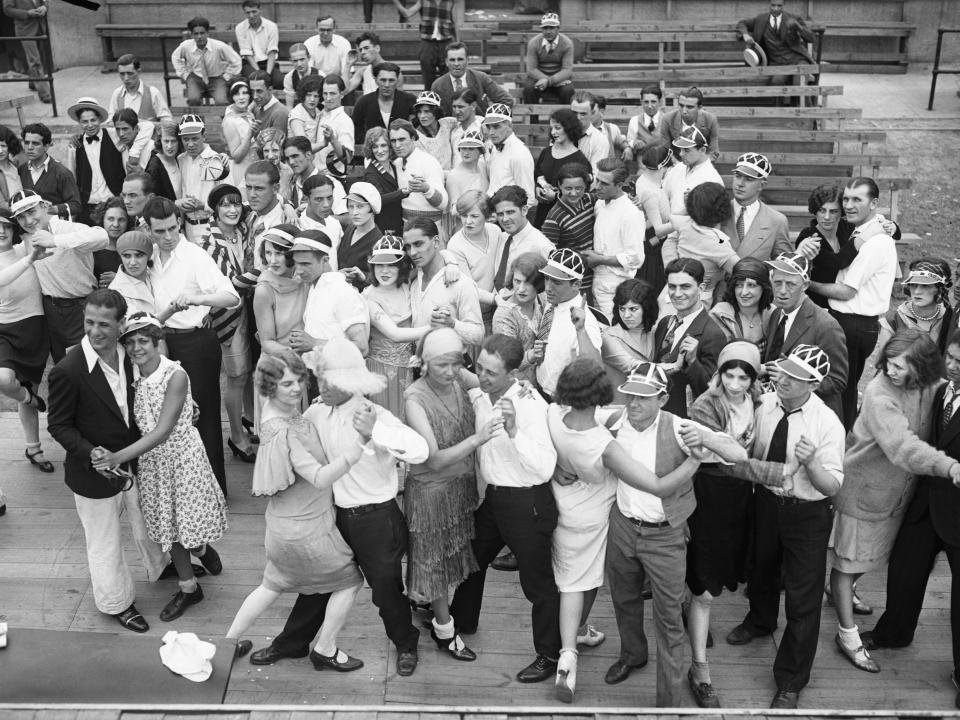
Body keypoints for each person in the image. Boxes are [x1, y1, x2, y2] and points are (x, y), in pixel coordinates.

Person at [251, 337, 429, 678]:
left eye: (327, 381)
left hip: (376, 520)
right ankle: (292, 642)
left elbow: (419, 451)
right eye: (318, 378)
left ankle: (406, 643)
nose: (320, 386)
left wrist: (376, 431)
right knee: (318, 582)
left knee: (385, 589)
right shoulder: (316, 411)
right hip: (332, 516)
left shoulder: (375, 414)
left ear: (349, 382)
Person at [601, 361, 739, 706]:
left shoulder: (679, 427)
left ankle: (669, 702)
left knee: (668, 619)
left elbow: (737, 454)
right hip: (623, 526)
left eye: (643, 398)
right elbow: (570, 418)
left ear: (663, 399)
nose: (633, 404)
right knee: (623, 599)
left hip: (665, 536)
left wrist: (704, 437)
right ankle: (633, 654)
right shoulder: (615, 420)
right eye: (630, 395)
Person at [226, 349, 365, 669]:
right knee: (351, 581)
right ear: (269, 387)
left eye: (300, 381)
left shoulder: (276, 415)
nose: (297, 389)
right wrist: (358, 448)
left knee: (270, 586)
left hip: (281, 526)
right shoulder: (285, 431)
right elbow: (318, 477)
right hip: (307, 530)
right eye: (287, 383)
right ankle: (326, 648)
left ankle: (226, 641)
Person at [829, 330, 958, 673]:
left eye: (900, 366)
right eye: (888, 363)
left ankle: (844, 596)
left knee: (866, 562)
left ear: (922, 366)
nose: (891, 371)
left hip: (898, 497)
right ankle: (847, 634)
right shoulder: (878, 393)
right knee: (847, 564)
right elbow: (901, 446)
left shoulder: (932, 385)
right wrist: (949, 466)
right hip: (863, 493)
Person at [724, 344, 844, 710]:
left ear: (813, 384)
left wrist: (810, 464)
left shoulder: (827, 424)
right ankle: (760, 621)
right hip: (766, 502)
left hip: (807, 513)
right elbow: (755, 450)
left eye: (795, 376)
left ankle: (790, 679)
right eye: (784, 372)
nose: (785, 379)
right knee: (761, 567)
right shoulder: (768, 404)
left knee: (803, 597)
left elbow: (833, 486)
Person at [91, 312, 227, 622]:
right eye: (132, 342)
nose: (138, 348)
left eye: (144, 341)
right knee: (169, 528)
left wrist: (118, 457)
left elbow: (162, 430)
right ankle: (190, 587)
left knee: (186, 523)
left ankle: (202, 551)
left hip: (181, 457)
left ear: (157, 342)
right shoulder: (132, 375)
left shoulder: (174, 375)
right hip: (153, 462)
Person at [47, 289, 169, 634]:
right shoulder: (68, 370)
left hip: (136, 459)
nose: (95, 331)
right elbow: (58, 424)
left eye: (104, 324)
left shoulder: (132, 355)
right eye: (89, 322)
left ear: (120, 325)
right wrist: (91, 452)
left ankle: (160, 567)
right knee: (104, 541)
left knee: (146, 520)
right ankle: (117, 603)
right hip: (93, 472)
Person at [449, 333, 560, 682]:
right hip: (495, 498)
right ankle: (462, 621)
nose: (482, 376)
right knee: (471, 561)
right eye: (479, 367)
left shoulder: (530, 406)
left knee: (538, 584)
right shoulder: (481, 395)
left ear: (512, 374)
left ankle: (549, 655)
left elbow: (544, 467)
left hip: (528, 502)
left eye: (491, 372)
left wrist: (514, 432)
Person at [862, 334, 960, 709]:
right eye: (948, 357)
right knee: (904, 572)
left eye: (959, 362)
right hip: (925, 503)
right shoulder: (940, 389)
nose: (951, 366)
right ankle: (894, 633)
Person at [684, 341, 769, 707]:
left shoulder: (759, 401)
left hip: (740, 497)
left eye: (743, 376)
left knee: (717, 575)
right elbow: (727, 456)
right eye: (728, 374)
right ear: (718, 373)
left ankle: (690, 605)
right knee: (706, 587)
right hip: (709, 493)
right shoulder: (706, 404)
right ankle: (699, 669)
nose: (735, 383)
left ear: (752, 379)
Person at [404, 328, 497, 663]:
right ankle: (444, 630)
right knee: (438, 564)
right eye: (442, 365)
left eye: (455, 363)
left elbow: (492, 383)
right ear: (425, 363)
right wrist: (478, 439)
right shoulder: (414, 398)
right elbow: (435, 458)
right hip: (432, 495)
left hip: (461, 488)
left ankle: (427, 602)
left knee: (448, 558)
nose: (450, 371)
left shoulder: (459, 379)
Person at [144, 196, 241, 494]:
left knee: (204, 417)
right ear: (148, 230)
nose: (169, 237)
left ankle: (214, 492)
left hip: (195, 343)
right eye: (160, 231)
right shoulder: (146, 257)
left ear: (180, 223)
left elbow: (231, 297)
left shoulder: (195, 256)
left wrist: (198, 299)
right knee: (167, 418)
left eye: (173, 228)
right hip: (159, 344)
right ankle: (182, 491)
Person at [810, 177, 899, 430]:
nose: (849, 205)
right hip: (851, 323)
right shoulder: (860, 232)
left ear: (874, 204)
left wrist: (807, 285)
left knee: (842, 391)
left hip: (854, 325)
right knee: (842, 388)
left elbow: (846, 291)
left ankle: (839, 445)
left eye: (857, 199)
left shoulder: (875, 241)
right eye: (846, 199)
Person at [10, 189, 108, 362]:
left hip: (82, 306)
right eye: (21, 217)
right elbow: (10, 257)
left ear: (44, 206)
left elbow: (102, 236)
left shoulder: (66, 227)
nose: (28, 221)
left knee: (87, 365)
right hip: (51, 310)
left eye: (32, 212)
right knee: (62, 364)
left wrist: (54, 240)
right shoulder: (27, 238)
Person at [200, 183, 257, 463]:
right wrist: (262, 273)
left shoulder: (244, 230)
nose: (232, 209)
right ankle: (236, 436)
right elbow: (228, 285)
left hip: (249, 310)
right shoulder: (209, 242)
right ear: (215, 209)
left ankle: (248, 421)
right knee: (236, 376)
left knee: (247, 374)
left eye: (236, 204)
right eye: (225, 205)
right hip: (227, 315)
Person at [760, 251, 847, 419]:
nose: (782, 291)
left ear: (805, 285)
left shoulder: (826, 326)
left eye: (791, 284)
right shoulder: (777, 314)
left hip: (812, 419)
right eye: (777, 283)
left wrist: (790, 379)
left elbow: (837, 381)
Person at [0, 210, 54, 474]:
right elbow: (3, 279)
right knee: (3, 379)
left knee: (29, 383)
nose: (0, 231)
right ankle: (31, 398)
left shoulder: (25, 248)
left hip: (34, 326)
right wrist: (31, 259)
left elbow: (44, 225)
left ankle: (34, 448)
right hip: (3, 330)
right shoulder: (27, 255)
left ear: (13, 229)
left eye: (5, 226)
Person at [363, 235, 431, 418]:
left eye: (391, 265)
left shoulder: (405, 283)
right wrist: (435, 329)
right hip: (382, 371)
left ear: (401, 266)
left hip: (410, 367)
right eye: (379, 265)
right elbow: (395, 334)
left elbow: (435, 257)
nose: (384, 271)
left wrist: (452, 263)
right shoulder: (369, 298)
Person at [653, 258, 727, 418]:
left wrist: (693, 362)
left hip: (687, 423)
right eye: (672, 287)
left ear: (700, 288)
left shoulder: (713, 334)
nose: (677, 294)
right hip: (659, 417)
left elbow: (712, 392)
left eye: (685, 287)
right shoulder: (665, 323)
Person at [405, 217, 483, 350]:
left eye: (418, 244)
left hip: (449, 366)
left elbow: (478, 335)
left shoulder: (461, 284)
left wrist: (452, 324)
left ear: (435, 241)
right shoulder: (413, 281)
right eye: (408, 247)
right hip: (417, 365)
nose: (412, 252)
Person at [537, 248, 603, 401]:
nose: (548, 287)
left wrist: (580, 330)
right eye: (547, 278)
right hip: (540, 390)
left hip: (563, 401)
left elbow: (595, 367)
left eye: (556, 282)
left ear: (577, 284)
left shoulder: (586, 323)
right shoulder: (553, 301)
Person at [290, 229, 369, 356]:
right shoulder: (314, 285)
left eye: (305, 264)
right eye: (296, 263)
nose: (299, 270)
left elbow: (362, 348)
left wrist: (315, 343)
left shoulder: (342, 292)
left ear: (325, 260)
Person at [587, 158, 644, 321]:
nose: (597, 186)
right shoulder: (599, 204)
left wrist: (600, 259)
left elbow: (635, 258)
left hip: (617, 288)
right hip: (597, 284)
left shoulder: (630, 213)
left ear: (619, 185)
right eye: (597, 180)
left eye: (604, 183)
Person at [663, 182, 738, 306]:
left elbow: (669, 240)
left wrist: (673, 271)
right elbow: (744, 271)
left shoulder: (685, 225)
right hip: (697, 303)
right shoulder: (718, 243)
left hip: (671, 294)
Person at [67, 98, 136, 224]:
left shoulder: (114, 135)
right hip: (88, 205)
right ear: (79, 123)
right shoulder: (75, 145)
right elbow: (72, 177)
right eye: (84, 122)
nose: (90, 125)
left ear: (99, 119)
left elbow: (142, 128)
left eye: (93, 120)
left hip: (114, 202)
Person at [720, 152, 791, 262]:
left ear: (762, 185)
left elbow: (782, 265)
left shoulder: (777, 221)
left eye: (749, 179)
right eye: (738, 176)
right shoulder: (717, 210)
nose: (740, 183)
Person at [877, 260, 956, 358]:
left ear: (940, 289)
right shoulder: (893, 320)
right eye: (913, 285)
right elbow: (882, 363)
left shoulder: (951, 319)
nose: (917, 291)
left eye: (925, 286)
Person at [252, 224, 308, 357]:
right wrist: (295, 358)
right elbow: (267, 342)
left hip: (310, 359)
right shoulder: (264, 289)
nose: (272, 260)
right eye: (268, 253)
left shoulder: (307, 278)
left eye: (279, 253)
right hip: (279, 364)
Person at [541, 163, 595, 299]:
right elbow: (549, 254)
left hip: (599, 277)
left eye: (579, 188)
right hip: (575, 284)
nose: (574, 193)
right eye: (568, 188)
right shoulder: (554, 218)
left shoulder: (590, 200)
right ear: (559, 186)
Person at [446, 190, 501, 323]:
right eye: (464, 215)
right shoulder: (455, 245)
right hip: (473, 313)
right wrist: (495, 299)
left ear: (486, 216)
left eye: (474, 216)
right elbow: (468, 288)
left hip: (498, 307)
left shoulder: (495, 231)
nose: (468, 221)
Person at [492, 251, 546, 386]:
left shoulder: (541, 299)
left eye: (528, 283)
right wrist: (533, 354)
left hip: (543, 383)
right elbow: (507, 363)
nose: (521, 289)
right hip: (518, 389)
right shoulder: (504, 315)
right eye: (517, 281)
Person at [176, 114, 230, 243]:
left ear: (204, 137)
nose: (190, 144)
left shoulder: (217, 160)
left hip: (210, 227)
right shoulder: (181, 159)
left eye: (195, 138)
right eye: (185, 139)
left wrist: (203, 206)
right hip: (187, 228)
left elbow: (228, 201)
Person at [602, 278, 658, 400]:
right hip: (617, 404)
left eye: (633, 309)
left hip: (647, 402)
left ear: (647, 308)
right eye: (622, 309)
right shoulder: (609, 336)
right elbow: (633, 366)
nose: (626, 315)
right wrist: (673, 366)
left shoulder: (655, 330)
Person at [532, 108, 589, 229]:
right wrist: (538, 190)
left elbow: (583, 196)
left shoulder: (580, 160)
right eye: (551, 128)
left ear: (568, 128)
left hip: (566, 221)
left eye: (557, 128)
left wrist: (556, 196)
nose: (553, 132)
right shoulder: (546, 152)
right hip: (542, 215)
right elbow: (538, 175)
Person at [490, 185, 553, 292]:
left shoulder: (541, 245)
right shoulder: (502, 237)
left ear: (524, 210)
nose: (505, 219)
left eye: (510, 212)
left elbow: (553, 284)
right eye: (500, 214)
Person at [390, 119, 448, 235]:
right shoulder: (397, 163)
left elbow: (443, 203)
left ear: (412, 138)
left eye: (402, 139)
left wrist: (426, 188)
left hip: (430, 229)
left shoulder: (428, 162)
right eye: (393, 140)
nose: (397, 145)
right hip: (407, 227)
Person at [171, 16, 242, 106]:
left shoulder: (219, 46)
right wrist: (185, 74)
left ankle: (225, 119)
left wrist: (227, 76)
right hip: (196, 78)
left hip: (216, 78)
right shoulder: (186, 46)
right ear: (191, 35)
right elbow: (175, 57)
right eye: (196, 34)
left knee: (221, 101)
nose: (199, 37)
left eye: (202, 33)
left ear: (208, 33)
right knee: (193, 99)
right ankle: (196, 120)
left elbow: (236, 61)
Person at [431, 41, 513, 116]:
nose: (456, 64)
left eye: (460, 59)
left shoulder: (480, 78)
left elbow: (506, 100)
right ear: (446, 62)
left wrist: (489, 119)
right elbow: (433, 113)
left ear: (467, 60)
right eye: (452, 60)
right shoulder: (438, 86)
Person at [18, 123, 81, 221]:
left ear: (46, 146)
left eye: (35, 143)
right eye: (27, 142)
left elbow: (76, 205)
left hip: (53, 229)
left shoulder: (62, 173)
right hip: (28, 228)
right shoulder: (21, 170)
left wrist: (55, 209)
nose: (30, 147)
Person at [710, 256, 774, 351]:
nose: (744, 292)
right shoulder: (720, 314)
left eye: (751, 285)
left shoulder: (772, 313)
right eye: (739, 285)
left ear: (763, 287)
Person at [633, 144, 672, 295]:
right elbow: (659, 230)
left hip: (651, 241)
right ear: (663, 167)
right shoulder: (650, 192)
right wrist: (683, 221)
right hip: (653, 247)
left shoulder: (644, 179)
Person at [663, 127, 722, 222]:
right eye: (681, 149)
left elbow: (707, 220)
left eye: (687, 150)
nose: (681, 154)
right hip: (667, 229)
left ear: (702, 150)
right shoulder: (678, 168)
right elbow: (663, 196)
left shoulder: (712, 179)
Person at [737, 0, 816, 68]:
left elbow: (811, 38)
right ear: (769, 4)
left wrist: (799, 27)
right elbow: (742, 23)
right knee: (776, 81)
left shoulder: (794, 18)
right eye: (773, 5)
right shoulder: (761, 19)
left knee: (799, 77)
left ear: (784, 5)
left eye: (779, 6)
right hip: (776, 62)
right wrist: (745, 35)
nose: (775, 9)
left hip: (797, 59)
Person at [483, 104, 535, 203]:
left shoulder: (519, 154)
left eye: (496, 126)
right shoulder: (495, 147)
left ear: (510, 126)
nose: (491, 132)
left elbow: (528, 198)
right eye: (488, 127)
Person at [352, 62, 416, 143]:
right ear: (375, 80)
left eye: (391, 80)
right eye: (383, 80)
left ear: (397, 81)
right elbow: (357, 133)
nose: (387, 84)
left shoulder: (410, 101)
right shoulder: (363, 103)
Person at [2, 0, 50, 103]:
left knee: (40, 58)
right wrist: (27, 13)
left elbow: (45, 1)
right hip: (25, 30)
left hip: (40, 27)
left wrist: (44, 7)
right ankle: (45, 94)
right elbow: (7, 9)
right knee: (35, 61)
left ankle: (33, 82)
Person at [443, 130, 489, 239]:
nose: (466, 152)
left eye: (471, 149)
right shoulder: (454, 176)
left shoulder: (483, 166)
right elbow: (454, 210)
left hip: (485, 227)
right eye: (463, 148)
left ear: (480, 151)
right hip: (464, 229)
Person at [404, 0, 457, 90]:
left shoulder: (450, 2)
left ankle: (445, 102)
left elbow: (455, 23)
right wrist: (396, 2)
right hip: (427, 43)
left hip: (446, 42)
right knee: (428, 80)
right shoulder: (423, 1)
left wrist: (457, 43)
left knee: (447, 81)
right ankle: (429, 102)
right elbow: (407, 13)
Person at [523, 13, 574, 104]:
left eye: (552, 28)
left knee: (568, 91)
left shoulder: (567, 43)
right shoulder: (534, 43)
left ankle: (564, 117)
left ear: (558, 29)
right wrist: (545, 80)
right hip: (538, 77)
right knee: (528, 90)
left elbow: (567, 70)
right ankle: (533, 118)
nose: (548, 31)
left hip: (559, 78)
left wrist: (549, 81)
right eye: (545, 28)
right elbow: (531, 69)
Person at [339, 181, 383, 287]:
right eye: (351, 206)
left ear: (372, 208)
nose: (354, 212)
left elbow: (382, 278)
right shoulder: (350, 229)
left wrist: (364, 276)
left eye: (360, 207)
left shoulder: (379, 242)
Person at [362, 127, 405, 235]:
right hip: (383, 227)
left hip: (400, 222)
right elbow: (378, 199)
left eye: (383, 145)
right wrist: (403, 192)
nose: (380, 151)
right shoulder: (371, 173)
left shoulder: (394, 166)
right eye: (375, 147)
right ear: (370, 149)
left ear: (390, 146)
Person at [659, 87, 720, 160]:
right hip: (676, 165)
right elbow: (665, 150)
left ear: (699, 107)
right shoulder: (667, 119)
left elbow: (714, 152)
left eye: (689, 107)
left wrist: (699, 166)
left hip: (701, 164)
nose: (684, 111)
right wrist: (679, 168)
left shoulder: (710, 120)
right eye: (681, 106)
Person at [108, 54, 172, 123]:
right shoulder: (117, 94)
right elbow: (111, 121)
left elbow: (167, 121)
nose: (126, 78)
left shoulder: (153, 93)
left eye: (130, 73)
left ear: (139, 71)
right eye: (122, 74)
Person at [222, 79, 259, 197]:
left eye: (245, 93)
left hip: (254, 165)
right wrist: (249, 135)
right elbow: (236, 156)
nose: (241, 97)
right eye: (237, 94)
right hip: (241, 169)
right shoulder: (230, 121)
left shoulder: (247, 112)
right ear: (232, 97)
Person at [235, 0, 283, 89]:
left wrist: (267, 75)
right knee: (254, 80)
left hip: (268, 63)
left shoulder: (271, 26)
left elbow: (272, 52)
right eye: (248, 13)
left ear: (260, 10)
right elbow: (247, 54)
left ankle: (275, 102)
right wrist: (260, 74)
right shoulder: (240, 28)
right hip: (250, 64)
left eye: (254, 11)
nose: (251, 16)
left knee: (279, 81)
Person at [316, 75, 355, 175]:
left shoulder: (344, 120)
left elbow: (348, 158)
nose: (328, 98)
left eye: (332, 93)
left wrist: (333, 140)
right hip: (316, 174)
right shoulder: (320, 115)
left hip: (333, 178)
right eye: (325, 93)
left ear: (341, 94)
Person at [413, 90, 457, 172]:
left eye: (427, 111)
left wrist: (483, 125)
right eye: (419, 112)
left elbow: (467, 121)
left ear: (436, 112)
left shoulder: (447, 123)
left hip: (452, 177)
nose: (422, 116)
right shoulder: (416, 137)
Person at [570, 91, 610, 172]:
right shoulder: (560, 134)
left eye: (583, 114)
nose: (577, 118)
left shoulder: (600, 140)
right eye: (574, 113)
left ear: (592, 113)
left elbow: (596, 175)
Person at [90, 197, 126, 289]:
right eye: (111, 219)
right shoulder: (92, 249)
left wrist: (120, 279)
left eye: (121, 220)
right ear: (102, 220)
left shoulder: (134, 248)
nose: (116, 224)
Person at [145, 120, 182, 204]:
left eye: (173, 141)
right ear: (160, 141)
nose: (169, 146)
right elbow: (152, 202)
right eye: (166, 141)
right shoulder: (154, 166)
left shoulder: (180, 159)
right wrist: (175, 203)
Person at [304, 15, 351, 80]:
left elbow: (346, 71)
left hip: (338, 83)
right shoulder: (309, 43)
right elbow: (308, 71)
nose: (325, 33)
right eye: (322, 30)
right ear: (316, 29)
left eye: (329, 30)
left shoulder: (344, 43)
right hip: (315, 82)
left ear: (334, 29)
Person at [625, 86, 665, 160]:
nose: (649, 106)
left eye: (653, 102)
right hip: (643, 167)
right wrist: (634, 144)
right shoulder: (634, 121)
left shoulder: (667, 120)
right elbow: (630, 141)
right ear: (641, 102)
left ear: (660, 102)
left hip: (664, 166)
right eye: (646, 102)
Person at [288, 76, 323, 153]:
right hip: (297, 157)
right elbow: (303, 146)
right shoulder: (296, 114)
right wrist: (324, 144)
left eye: (316, 96)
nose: (312, 99)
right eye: (309, 95)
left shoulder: (318, 111)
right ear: (303, 95)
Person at [250, 70, 290, 135]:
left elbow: (275, 144)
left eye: (259, 91)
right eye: (252, 91)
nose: (254, 96)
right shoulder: (257, 105)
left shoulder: (280, 113)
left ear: (270, 90)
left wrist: (258, 133)